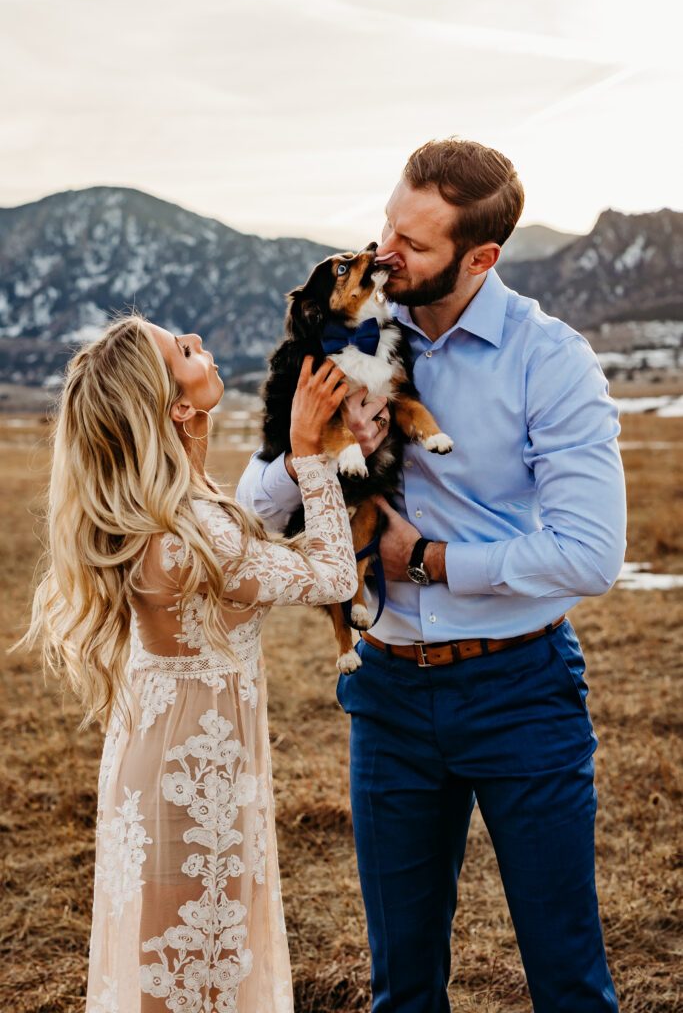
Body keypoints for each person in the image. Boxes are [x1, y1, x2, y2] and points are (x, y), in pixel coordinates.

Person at [236, 138, 627, 1012]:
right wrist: (303, 447)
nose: (383, 253)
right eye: (385, 225)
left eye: (411, 244)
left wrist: (429, 560)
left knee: (567, 976)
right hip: (388, 694)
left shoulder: (548, 360)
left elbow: (590, 553)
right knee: (401, 985)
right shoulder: (347, 337)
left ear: (479, 257)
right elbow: (249, 514)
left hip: (519, 686)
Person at [22, 315, 357, 1013]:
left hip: (171, 759)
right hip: (193, 785)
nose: (200, 344)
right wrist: (309, 453)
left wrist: (222, 444)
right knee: (191, 982)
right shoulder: (193, 529)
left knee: (185, 975)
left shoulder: (170, 512)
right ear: (175, 407)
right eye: (182, 350)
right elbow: (333, 577)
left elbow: (222, 521)